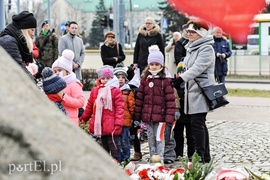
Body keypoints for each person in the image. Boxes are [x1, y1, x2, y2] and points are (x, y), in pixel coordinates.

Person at [171, 19, 215, 163]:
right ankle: (205, 156)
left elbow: (198, 68)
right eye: (188, 31)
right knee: (199, 124)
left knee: (197, 124)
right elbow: (187, 66)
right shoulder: (191, 47)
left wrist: (181, 78)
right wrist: (179, 75)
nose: (189, 34)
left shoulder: (206, 48)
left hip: (201, 91)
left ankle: (200, 156)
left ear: (200, 33)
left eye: (192, 32)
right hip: (192, 91)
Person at [133, 45, 175, 163]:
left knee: (160, 138)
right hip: (148, 117)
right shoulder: (145, 80)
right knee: (151, 138)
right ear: (148, 65)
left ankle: (160, 158)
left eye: (157, 64)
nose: (154, 66)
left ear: (161, 65)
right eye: (152, 64)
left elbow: (170, 100)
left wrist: (169, 118)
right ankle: (153, 157)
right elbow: (140, 99)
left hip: (161, 118)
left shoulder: (165, 81)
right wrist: (137, 116)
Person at [79, 65, 124, 161]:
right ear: (99, 79)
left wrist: (118, 123)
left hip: (112, 125)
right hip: (99, 124)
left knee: (114, 147)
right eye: (103, 78)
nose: (106, 80)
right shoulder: (95, 91)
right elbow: (90, 106)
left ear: (112, 78)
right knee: (103, 148)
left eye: (108, 78)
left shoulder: (115, 91)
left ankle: (118, 164)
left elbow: (120, 108)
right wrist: (84, 118)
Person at [0, 11, 37, 82]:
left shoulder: (13, 39)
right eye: (32, 30)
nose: (33, 34)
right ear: (25, 29)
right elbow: (20, 71)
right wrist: (36, 89)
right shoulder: (9, 41)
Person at [52, 49, 85, 126]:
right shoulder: (53, 85)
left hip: (70, 123)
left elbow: (80, 102)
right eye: (55, 71)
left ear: (67, 71)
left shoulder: (74, 84)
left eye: (60, 70)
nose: (57, 73)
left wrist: (64, 97)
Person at [173, 62, 195, 160]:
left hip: (190, 114)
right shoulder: (175, 85)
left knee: (191, 135)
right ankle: (179, 154)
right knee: (178, 135)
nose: (182, 74)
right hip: (179, 115)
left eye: (184, 72)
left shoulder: (191, 85)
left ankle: (191, 154)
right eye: (180, 72)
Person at [113, 64, 135, 163]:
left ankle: (126, 158)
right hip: (115, 122)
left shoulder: (128, 91)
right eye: (118, 77)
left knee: (125, 141)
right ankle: (118, 158)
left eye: (123, 77)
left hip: (125, 122)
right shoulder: (112, 91)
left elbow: (132, 106)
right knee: (116, 142)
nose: (120, 79)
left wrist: (133, 118)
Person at [128, 68, 143, 161]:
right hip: (127, 117)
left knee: (134, 136)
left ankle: (137, 152)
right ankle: (136, 152)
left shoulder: (134, 90)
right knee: (133, 136)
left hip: (134, 117)